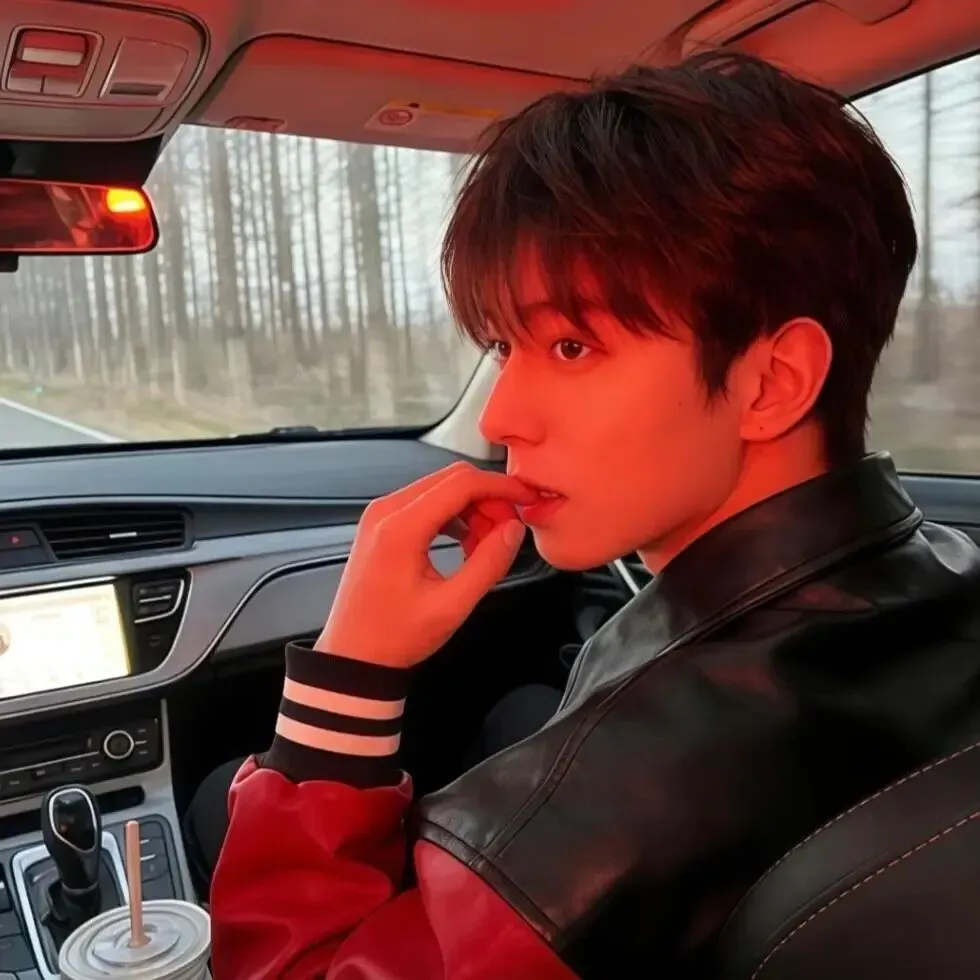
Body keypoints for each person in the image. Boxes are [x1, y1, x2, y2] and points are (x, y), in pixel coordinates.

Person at [207, 51, 980, 978]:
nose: (499, 418)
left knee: (214, 799)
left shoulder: (620, 806)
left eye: (572, 345)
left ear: (772, 382)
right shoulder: (945, 572)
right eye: (505, 346)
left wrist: (351, 673)